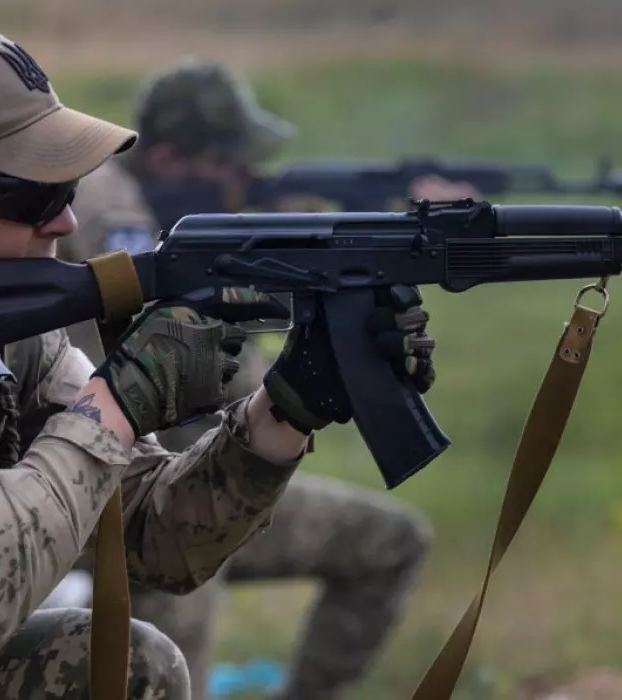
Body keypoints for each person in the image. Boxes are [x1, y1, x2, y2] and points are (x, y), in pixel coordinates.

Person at [0, 9, 439, 700]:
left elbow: (157, 538)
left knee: (125, 661)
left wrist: (285, 410)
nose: (66, 222)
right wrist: (113, 405)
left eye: (69, 191)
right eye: (34, 194)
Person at [57, 59, 445, 700]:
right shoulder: (102, 211)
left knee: (390, 543)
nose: (244, 180)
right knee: (179, 610)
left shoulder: (182, 214)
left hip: (216, 476)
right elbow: (153, 356)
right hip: (118, 498)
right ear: (175, 156)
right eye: (229, 163)